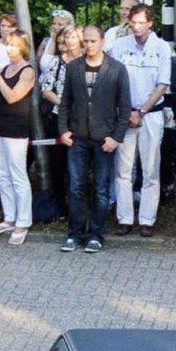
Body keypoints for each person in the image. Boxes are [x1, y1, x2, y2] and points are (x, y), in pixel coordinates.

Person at [50, 28, 125, 253]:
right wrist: (63, 130)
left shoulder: (117, 69)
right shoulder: (73, 68)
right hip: (78, 138)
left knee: (102, 189)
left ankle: (96, 234)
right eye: (87, 41)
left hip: (104, 139)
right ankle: (75, 234)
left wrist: (116, 137)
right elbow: (65, 103)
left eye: (94, 41)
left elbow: (124, 105)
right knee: (76, 187)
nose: (89, 45)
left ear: (102, 41)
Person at [105, 3, 175, 238]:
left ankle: (147, 219)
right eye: (133, 22)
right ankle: (124, 219)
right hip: (124, 114)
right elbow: (113, 82)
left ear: (150, 23)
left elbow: (162, 84)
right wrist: (127, 113)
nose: (136, 27)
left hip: (151, 115)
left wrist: (142, 112)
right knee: (124, 170)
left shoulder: (162, 48)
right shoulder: (119, 46)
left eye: (141, 23)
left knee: (150, 169)